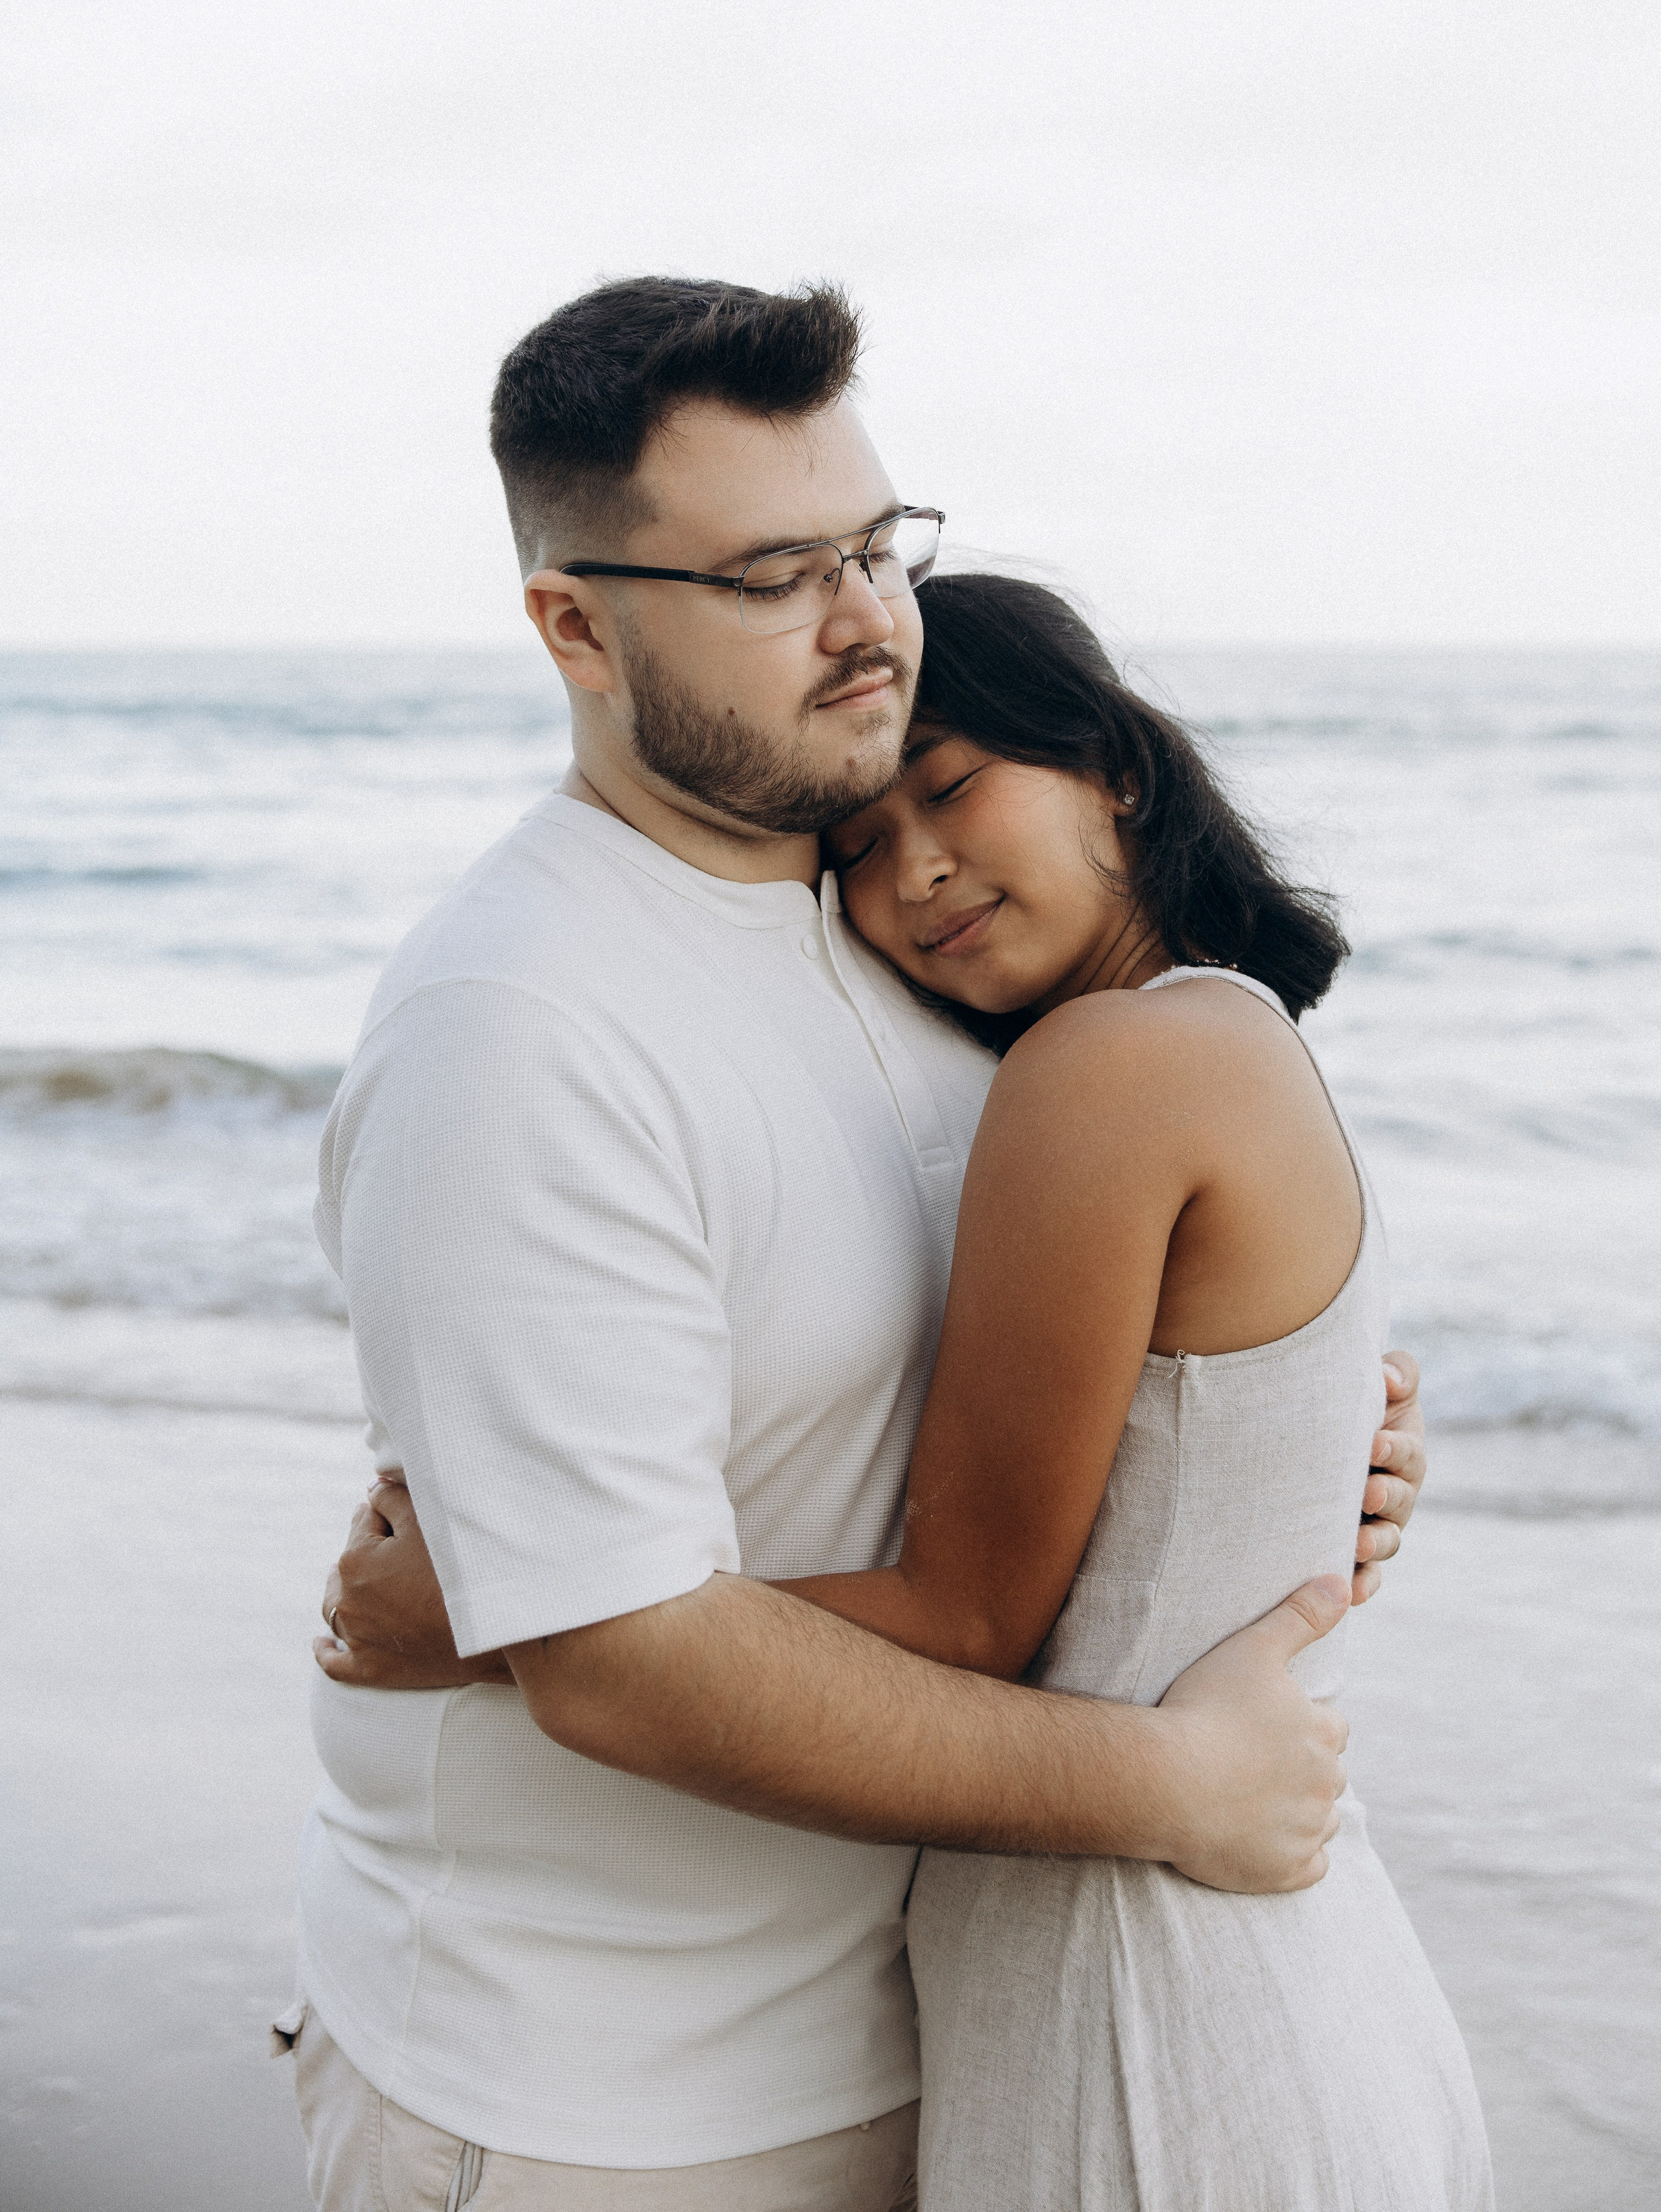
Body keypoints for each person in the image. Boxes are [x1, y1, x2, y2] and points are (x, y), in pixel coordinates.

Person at [287, 277, 1428, 2212]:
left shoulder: (925, 961)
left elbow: (1062, 1392)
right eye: (767, 576)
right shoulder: (525, 1024)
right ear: (575, 621)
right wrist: (1167, 1782)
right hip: (595, 2102)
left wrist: (1298, 1457)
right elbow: (621, 1660)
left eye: (875, 547)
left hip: (935, 2029)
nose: (860, 620)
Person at [778, 571, 1494, 2209]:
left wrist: (501, 1617)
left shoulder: (1106, 1065)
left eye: (948, 784)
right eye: (855, 851)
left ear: (1113, 764)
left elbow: (966, 1619)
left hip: (1153, 2029)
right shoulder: (1212, 1043)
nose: (917, 871)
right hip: (1278, 1982)